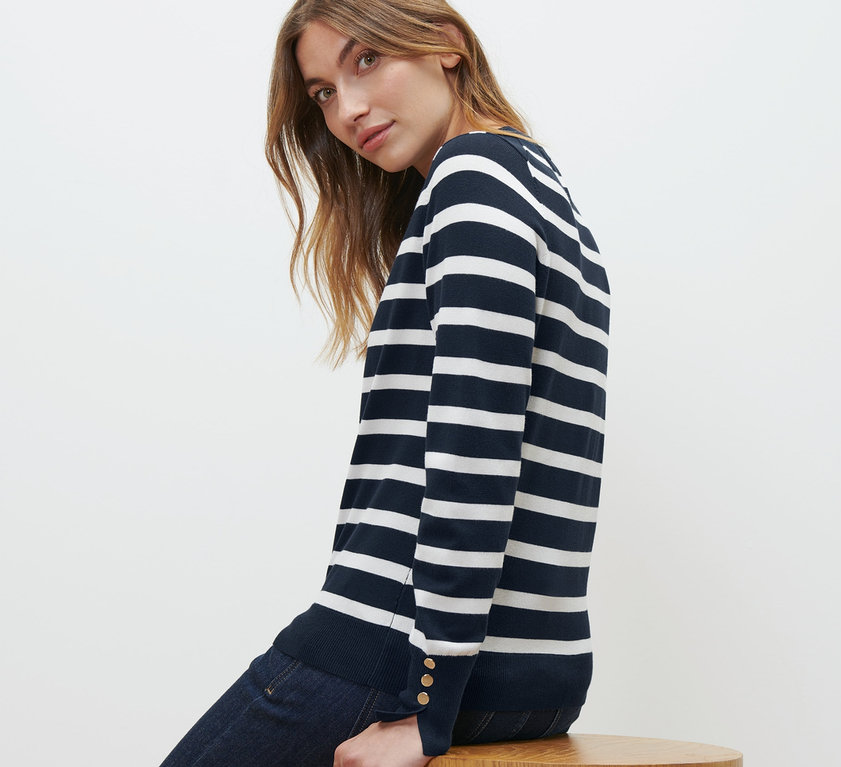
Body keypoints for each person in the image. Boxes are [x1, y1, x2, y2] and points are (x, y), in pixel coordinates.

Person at [160, 1, 609, 765]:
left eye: (366, 59)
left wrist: (427, 701)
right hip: (537, 676)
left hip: (399, 653)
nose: (349, 108)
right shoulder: (537, 184)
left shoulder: (475, 182)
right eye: (323, 92)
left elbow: (476, 443)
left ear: (446, 43)